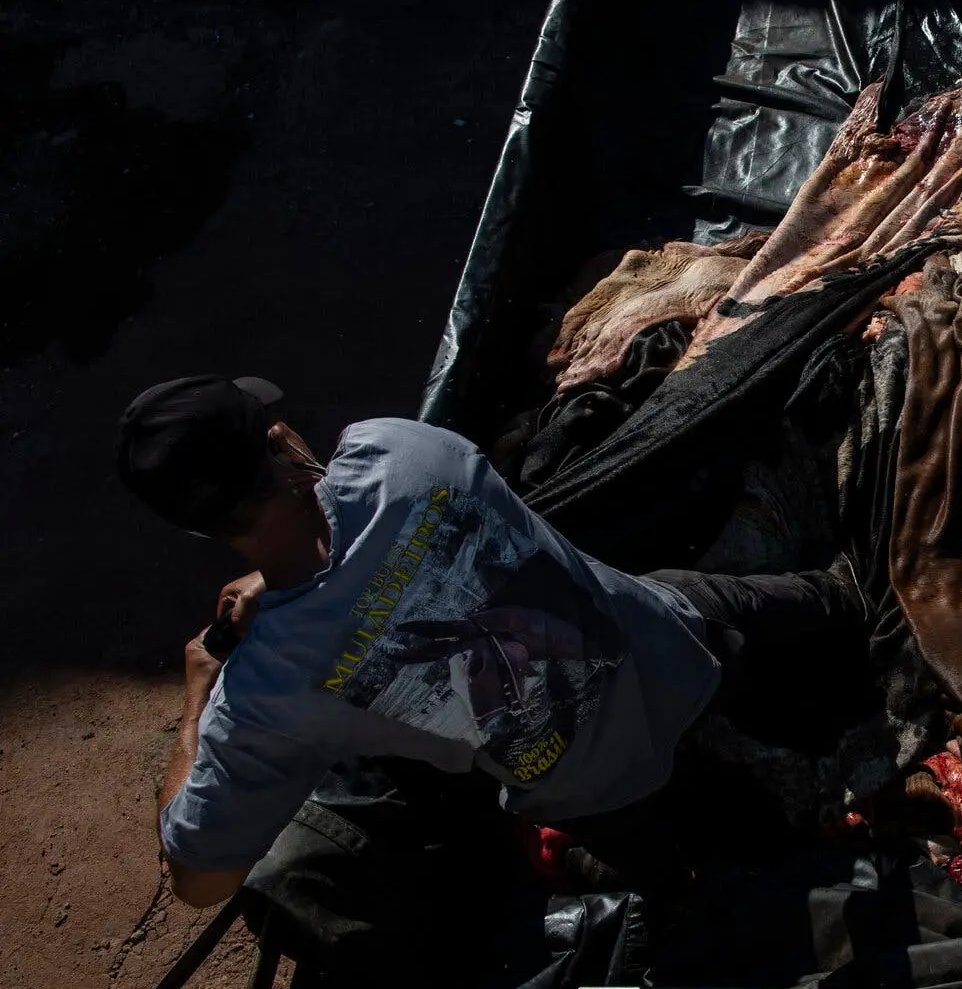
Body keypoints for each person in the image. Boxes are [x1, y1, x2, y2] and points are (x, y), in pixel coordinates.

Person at [116, 375, 865, 907]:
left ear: (198, 531)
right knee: (784, 605)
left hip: (596, 784)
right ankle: (850, 604)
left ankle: (694, 892)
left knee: (673, 870)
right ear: (280, 443)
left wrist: (199, 697)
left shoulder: (267, 691)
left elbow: (199, 879)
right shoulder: (399, 453)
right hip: (665, 637)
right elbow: (350, 529)